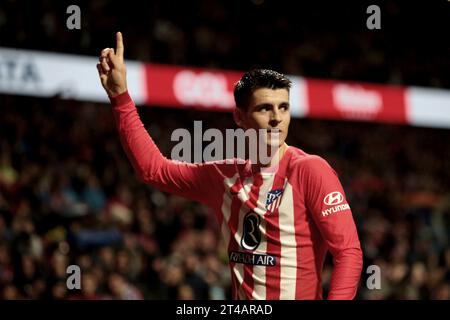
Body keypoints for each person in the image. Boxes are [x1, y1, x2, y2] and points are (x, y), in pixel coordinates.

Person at [96, 32, 363, 300]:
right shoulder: (222, 176)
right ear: (239, 116)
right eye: (264, 108)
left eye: (284, 108)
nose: (276, 119)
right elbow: (153, 170)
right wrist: (121, 98)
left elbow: (348, 252)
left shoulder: (310, 170)